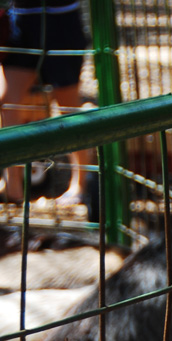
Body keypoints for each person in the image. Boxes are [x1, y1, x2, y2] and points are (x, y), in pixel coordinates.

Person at [0, 0, 91, 206]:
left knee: (67, 106)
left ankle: (80, 184)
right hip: (21, 18)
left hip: (61, 16)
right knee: (8, 103)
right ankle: (12, 187)